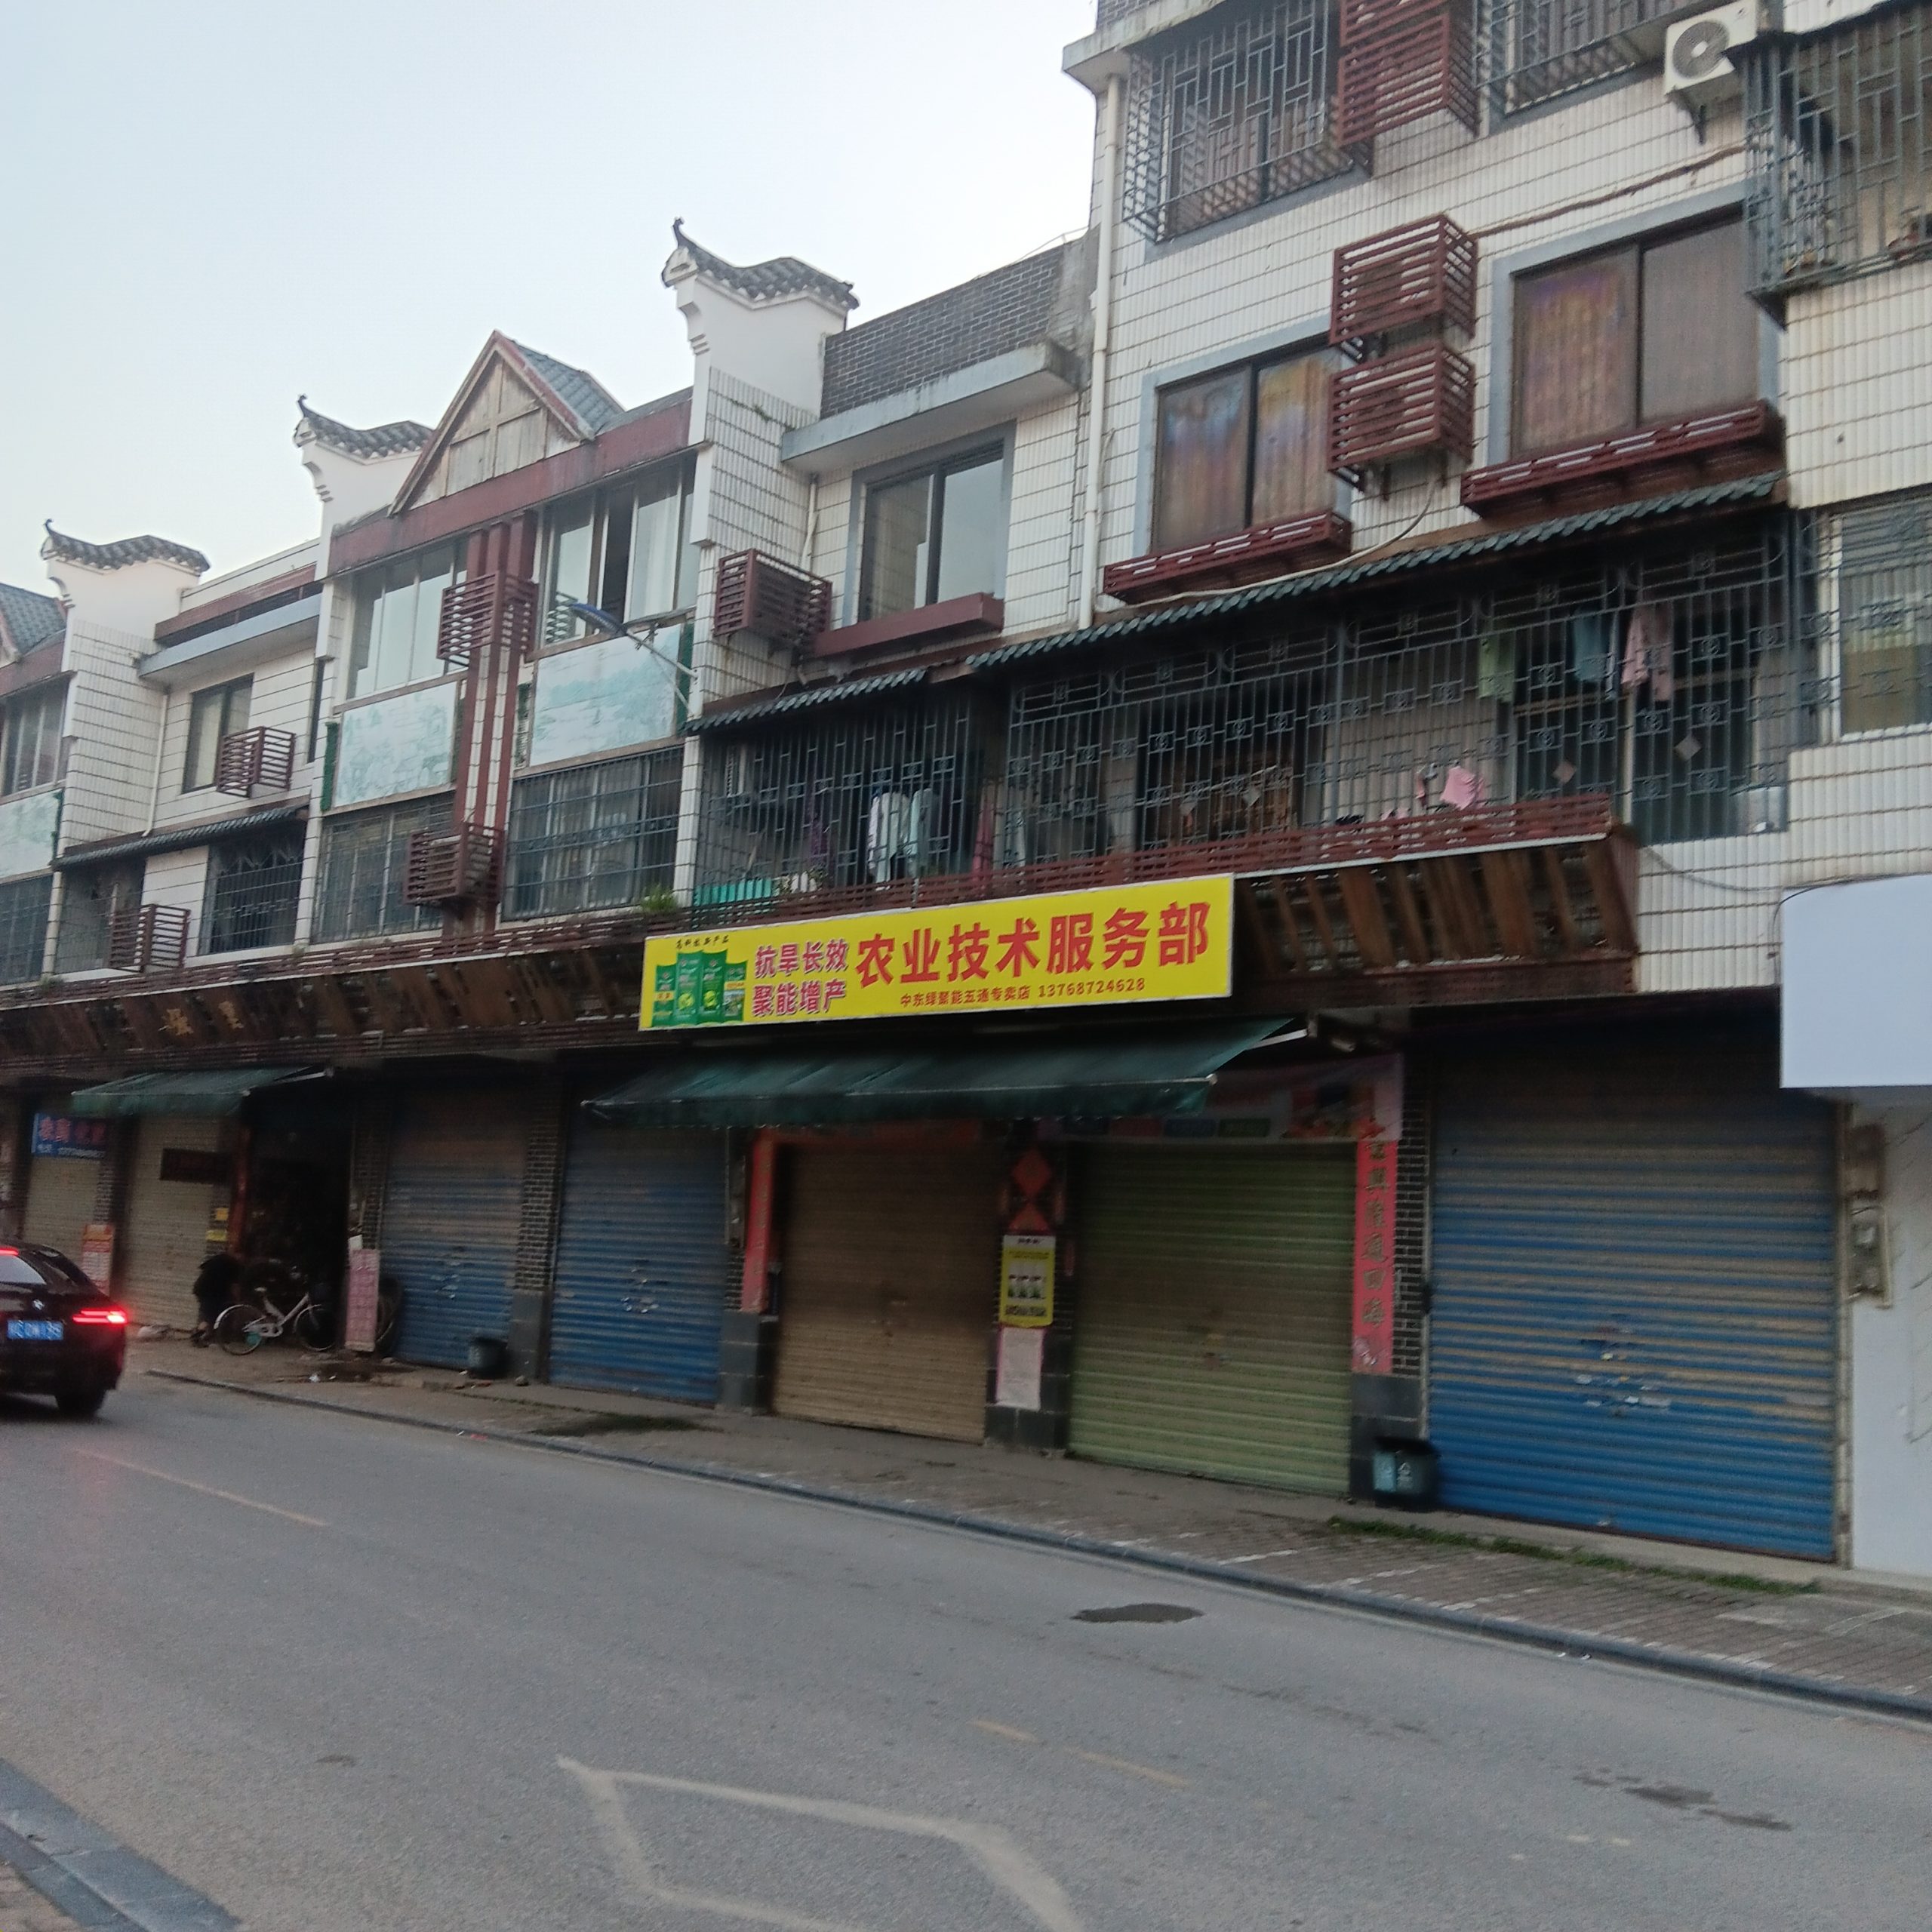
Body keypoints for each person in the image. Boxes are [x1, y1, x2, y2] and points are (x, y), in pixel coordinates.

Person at [190, 1250, 244, 1346]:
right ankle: (200, 1337)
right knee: (210, 1316)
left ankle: (201, 1336)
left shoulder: (219, 1258)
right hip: (212, 1292)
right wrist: (238, 1299)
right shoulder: (234, 1265)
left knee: (205, 1314)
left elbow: (203, 1267)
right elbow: (235, 1285)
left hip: (201, 1288)